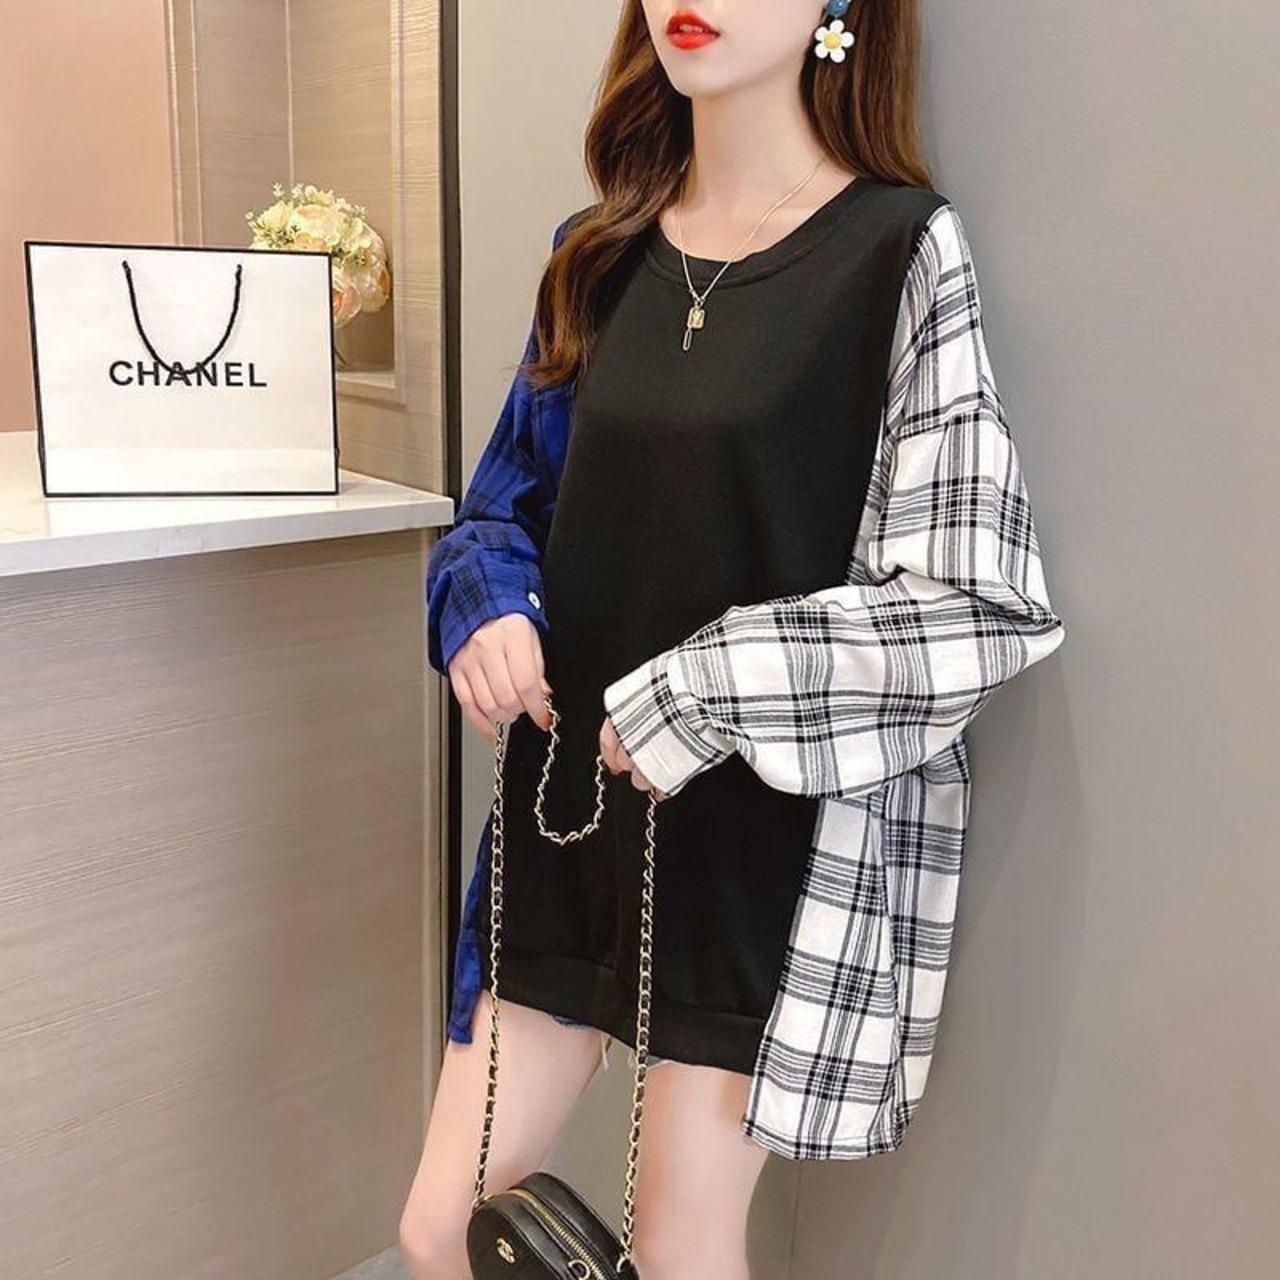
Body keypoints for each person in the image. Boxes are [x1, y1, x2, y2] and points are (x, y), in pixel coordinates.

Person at [402, 2, 1067, 1277]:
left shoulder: (897, 254)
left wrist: (707, 686)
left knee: (680, 1245)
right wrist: (482, 603)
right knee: (439, 1231)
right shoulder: (595, 252)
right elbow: (499, 513)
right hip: (562, 821)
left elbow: (973, 599)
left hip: (757, 856)